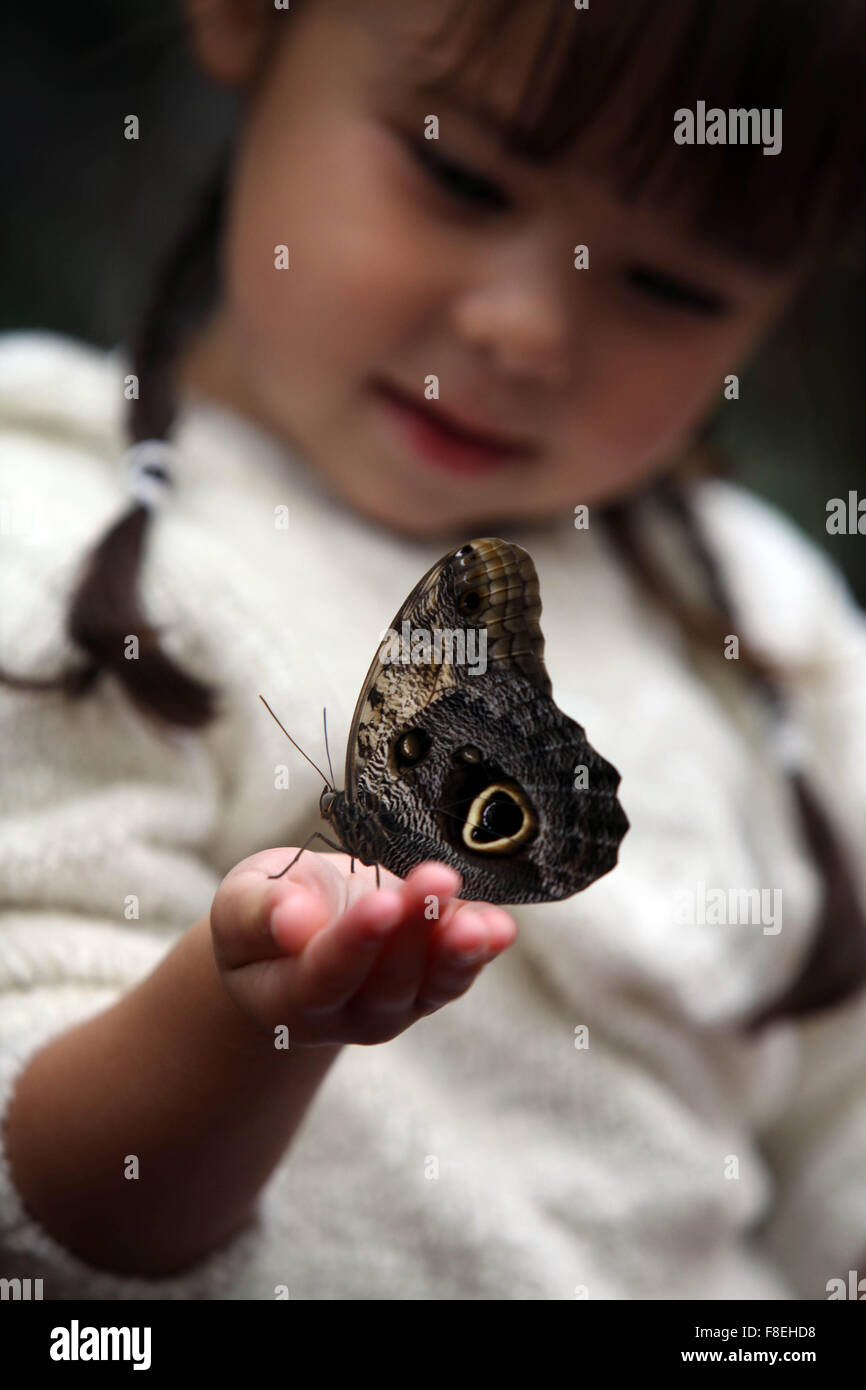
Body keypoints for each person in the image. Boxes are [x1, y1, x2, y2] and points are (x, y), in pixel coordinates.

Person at [1, 0, 865, 1300]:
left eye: (669, 284)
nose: (524, 330)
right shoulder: (44, 542)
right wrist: (251, 1018)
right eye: (458, 176)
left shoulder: (760, 617)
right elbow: (50, 1192)